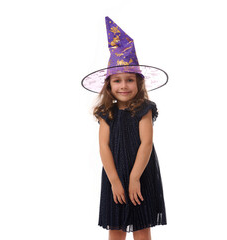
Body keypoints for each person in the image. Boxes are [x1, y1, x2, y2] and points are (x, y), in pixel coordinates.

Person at [81, 17, 168, 240]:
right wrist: (116, 181)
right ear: (108, 84)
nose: (123, 86)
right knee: (116, 227)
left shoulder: (144, 108)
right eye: (117, 80)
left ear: (138, 82)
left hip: (141, 172)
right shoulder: (106, 112)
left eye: (129, 80)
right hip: (115, 174)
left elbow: (146, 143)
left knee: (141, 225)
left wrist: (135, 178)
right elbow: (104, 146)